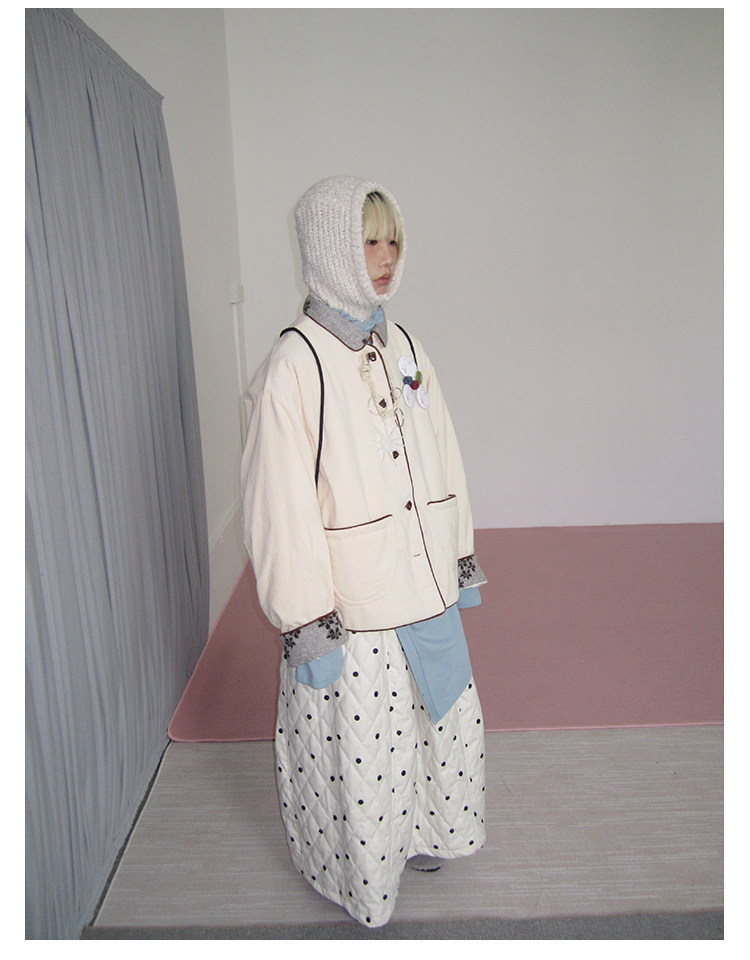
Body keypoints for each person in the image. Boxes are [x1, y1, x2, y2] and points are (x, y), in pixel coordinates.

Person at [240, 175, 487, 927]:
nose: (385, 258)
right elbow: (278, 508)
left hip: (424, 589)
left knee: (435, 719)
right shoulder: (295, 364)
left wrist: (458, 556)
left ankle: (429, 831)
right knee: (364, 749)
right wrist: (304, 619)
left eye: (392, 241)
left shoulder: (403, 345)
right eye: (367, 240)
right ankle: (361, 869)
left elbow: (443, 452)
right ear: (329, 248)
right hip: (356, 608)